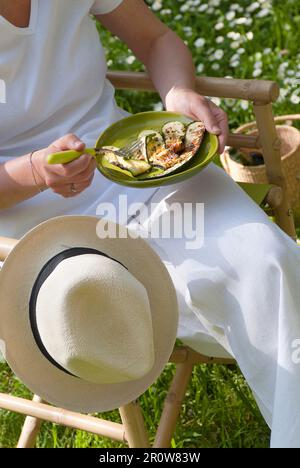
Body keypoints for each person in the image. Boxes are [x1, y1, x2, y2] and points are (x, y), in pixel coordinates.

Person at [0, 0, 299, 448]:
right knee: (124, 308)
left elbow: (156, 39)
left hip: (135, 172)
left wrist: (177, 93)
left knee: (268, 266)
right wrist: (36, 172)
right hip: (30, 231)